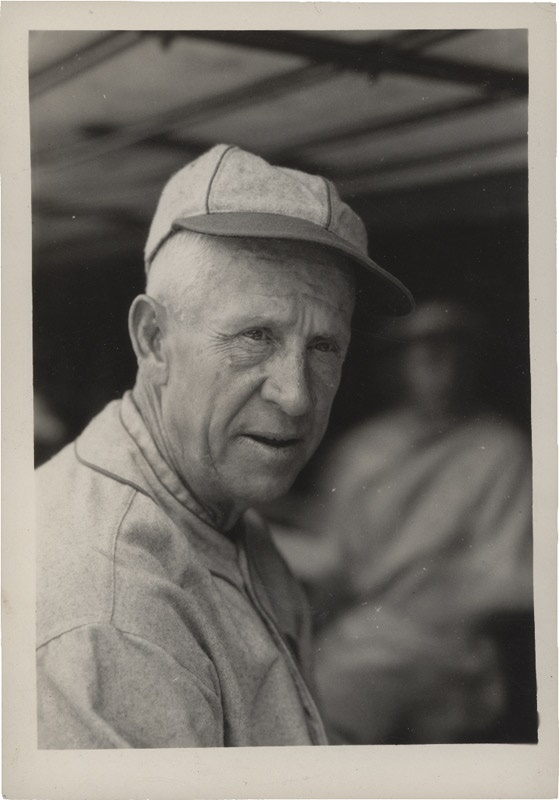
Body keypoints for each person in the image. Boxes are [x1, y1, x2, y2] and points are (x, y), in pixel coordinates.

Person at [35, 143, 413, 748]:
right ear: (154, 340)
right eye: (255, 336)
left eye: (324, 347)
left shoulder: (222, 506)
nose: (295, 396)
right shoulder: (110, 612)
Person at [297, 301, 534, 744]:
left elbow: (509, 579)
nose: (441, 366)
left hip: (447, 646)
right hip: (359, 634)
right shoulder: (364, 450)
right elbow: (333, 561)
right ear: (399, 365)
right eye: (425, 352)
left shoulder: (502, 449)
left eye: (455, 351)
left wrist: (430, 625)